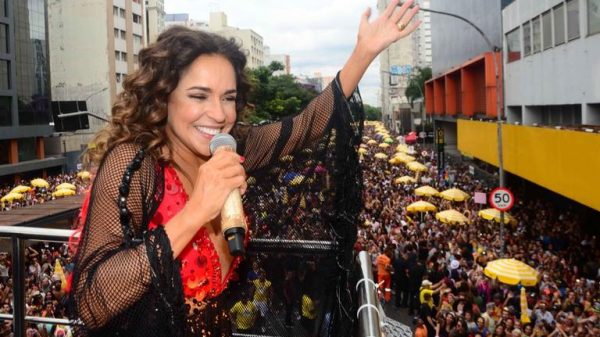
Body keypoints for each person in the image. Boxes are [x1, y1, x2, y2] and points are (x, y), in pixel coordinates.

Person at [66, 1, 421, 336]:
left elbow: (307, 125)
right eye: (199, 96)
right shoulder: (134, 163)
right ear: (163, 95)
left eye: (229, 98)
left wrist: (364, 52)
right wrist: (196, 211)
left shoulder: (233, 147)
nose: (219, 115)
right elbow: (93, 303)